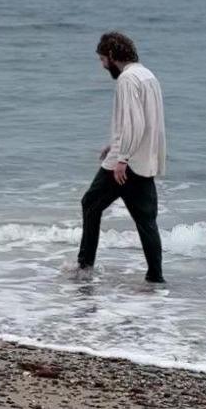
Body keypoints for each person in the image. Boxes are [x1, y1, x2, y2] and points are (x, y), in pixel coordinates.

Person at [76, 31, 167, 283]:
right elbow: (149, 123)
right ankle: (155, 277)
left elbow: (135, 122)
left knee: (90, 204)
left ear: (113, 56)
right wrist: (115, 144)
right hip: (143, 158)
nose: (103, 66)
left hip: (125, 163)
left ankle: (84, 267)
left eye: (103, 60)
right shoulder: (148, 75)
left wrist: (122, 156)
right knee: (146, 221)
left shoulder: (127, 79)